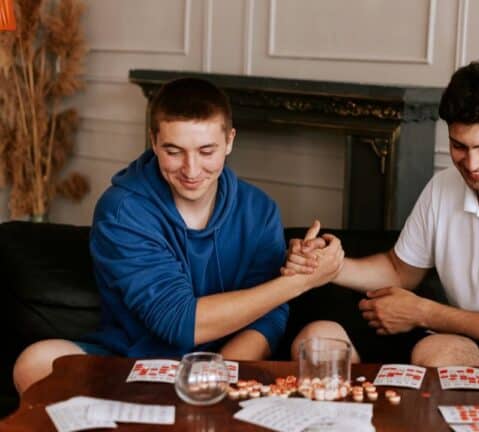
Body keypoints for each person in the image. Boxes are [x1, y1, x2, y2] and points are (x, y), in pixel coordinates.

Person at [283, 59, 479, 432]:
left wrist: (423, 313)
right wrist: (332, 267)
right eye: (459, 146)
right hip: (455, 339)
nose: (472, 163)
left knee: (437, 350)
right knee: (319, 338)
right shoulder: (445, 187)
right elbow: (400, 270)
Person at [12, 78, 343, 393]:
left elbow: (269, 313)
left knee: (327, 336)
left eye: (206, 151)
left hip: (233, 362)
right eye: (174, 151)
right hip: (133, 365)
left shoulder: (259, 209)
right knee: (37, 361)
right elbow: (178, 321)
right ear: (154, 141)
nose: (191, 169)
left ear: (230, 141)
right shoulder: (122, 211)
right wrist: (300, 281)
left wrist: (216, 377)